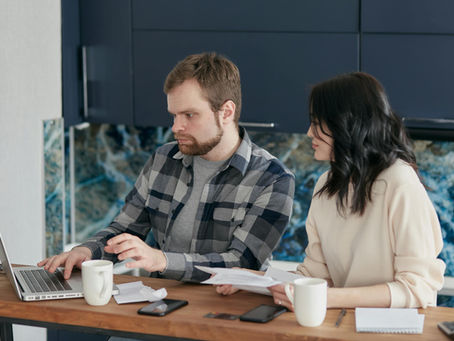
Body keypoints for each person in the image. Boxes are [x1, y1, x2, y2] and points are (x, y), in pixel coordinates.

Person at [39, 52, 295, 282]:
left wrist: (161, 260)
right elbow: (126, 228)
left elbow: (242, 263)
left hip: (224, 312)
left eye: (189, 115)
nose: (175, 127)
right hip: (161, 302)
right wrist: (87, 251)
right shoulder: (164, 159)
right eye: (174, 115)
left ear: (226, 112)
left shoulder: (272, 179)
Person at [217, 72, 445, 309]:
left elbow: (418, 287)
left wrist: (326, 298)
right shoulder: (327, 185)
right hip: (344, 325)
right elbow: (316, 275)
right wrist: (253, 279)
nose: (308, 133)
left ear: (348, 124)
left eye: (317, 123)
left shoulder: (400, 181)